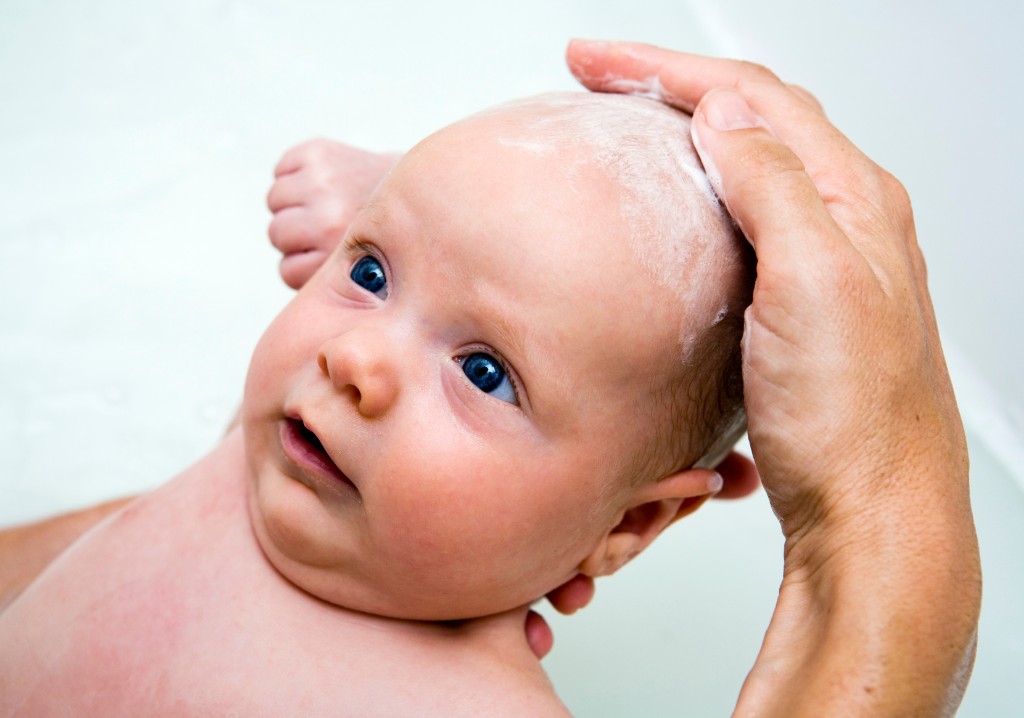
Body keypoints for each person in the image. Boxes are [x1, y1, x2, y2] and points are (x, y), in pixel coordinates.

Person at [0, 40, 981, 716]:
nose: (356, 360)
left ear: (627, 526)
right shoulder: (291, 450)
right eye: (371, 269)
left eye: (482, 371)